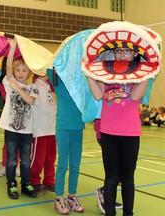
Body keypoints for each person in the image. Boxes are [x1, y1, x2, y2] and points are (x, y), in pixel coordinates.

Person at [87, 46, 150, 216]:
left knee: (128, 179)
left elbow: (136, 96)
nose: (121, 54)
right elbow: (98, 95)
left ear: (135, 53)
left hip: (130, 132)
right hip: (108, 131)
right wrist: (89, 74)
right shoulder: (106, 71)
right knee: (111, 178)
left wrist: (148, 73)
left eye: (126, 51)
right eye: (118, 51)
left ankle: (128, 213)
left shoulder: (139, 74)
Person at [0, 37, 39, 199]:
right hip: (12, 129)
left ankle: (26, 183)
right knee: (11, 160)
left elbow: (30, 100)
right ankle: (11, 184)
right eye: (18, 70)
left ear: (29, 72)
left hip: (27, 130)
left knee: (26, 161)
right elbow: (8, 66)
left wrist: (19, 89)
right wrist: (13, 48)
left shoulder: (32, 87)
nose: (21, 73)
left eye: (24, 70)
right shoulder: (9, 83)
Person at [47, 70, 85, 215]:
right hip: (63, 128)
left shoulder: (81, 83)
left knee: (75, 165)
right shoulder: (59, 83)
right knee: (63, 164)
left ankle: (72, 197)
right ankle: (59, 198)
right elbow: (49, 67)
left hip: (78, 127)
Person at [30, 74, 57, 193]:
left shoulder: (48, 86)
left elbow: (51, 106)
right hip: (40, 129)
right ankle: (33, 181)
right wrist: (56, 108)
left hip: (51, 128)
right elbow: (45, 109)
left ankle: (49, 180)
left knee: (50, 157)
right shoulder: (35, 86)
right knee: (38, 158)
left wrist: (54, 107)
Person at [0, 57, 20, 177]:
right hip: (10, 115)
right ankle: (5, 165)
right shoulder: (4, 79)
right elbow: (6, 97)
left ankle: (17, 166)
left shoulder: (24, 82)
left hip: (21, 116)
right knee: (8, 143)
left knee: (21, 143)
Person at [94, 118, 123, 214]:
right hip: (106, 133)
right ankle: (104, 192)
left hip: (121, 133)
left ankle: (109, 196)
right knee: (115, 169)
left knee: (125, 169)